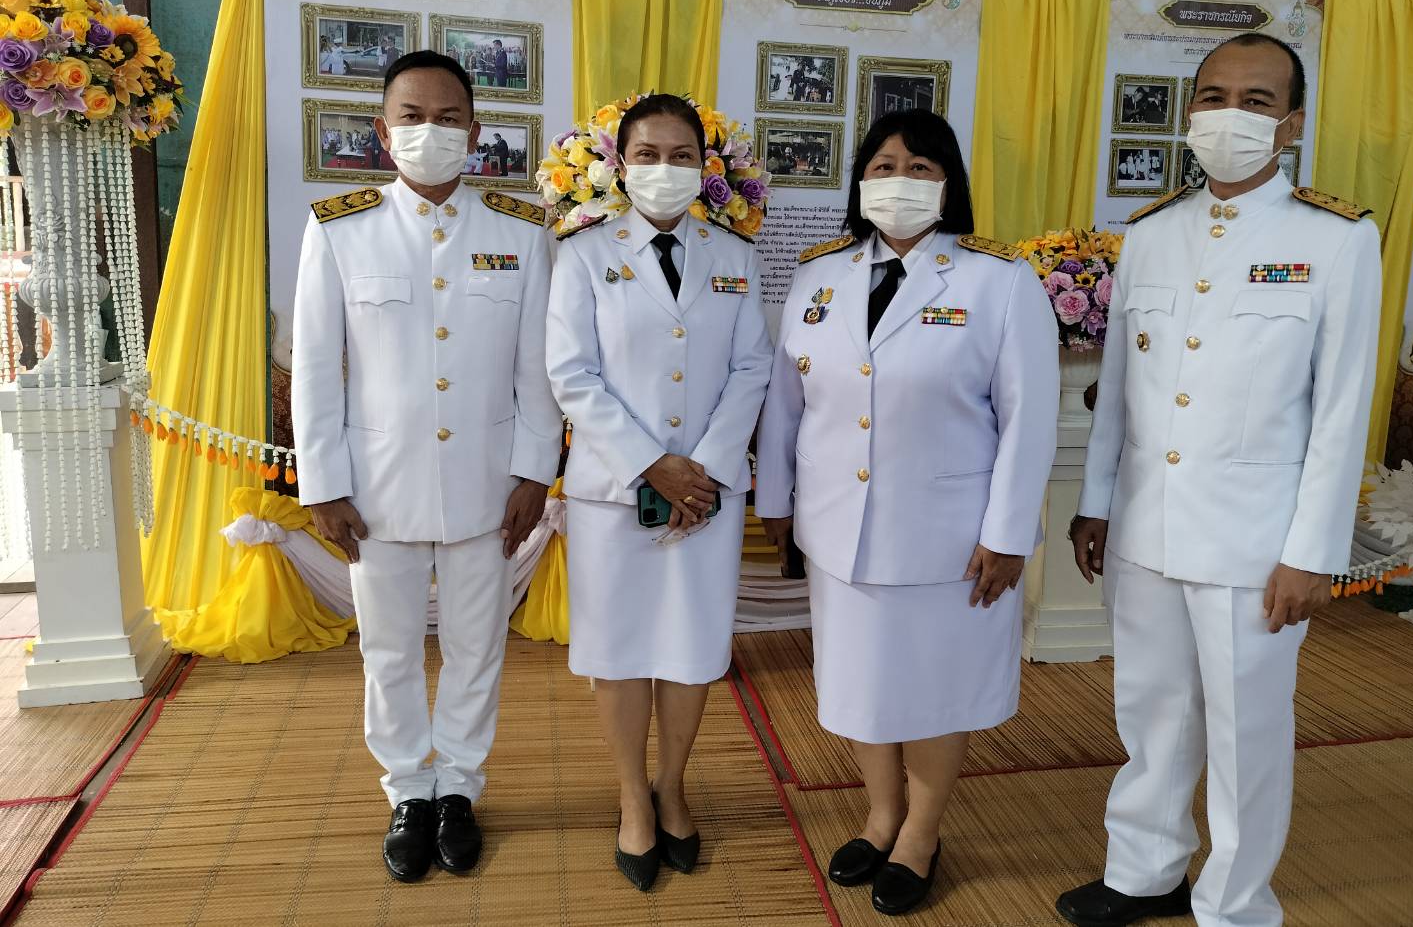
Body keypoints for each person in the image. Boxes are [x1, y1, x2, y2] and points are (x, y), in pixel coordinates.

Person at [1056, 32, 1381, 927]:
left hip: (1255, 542)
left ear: (1292, 125)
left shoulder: (1336, 238)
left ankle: (1234, 905)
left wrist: (1313, 552)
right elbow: (1119, 386)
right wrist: (1096, 504)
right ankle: (1143, 869)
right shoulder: (1151, 233)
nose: (1228, 115)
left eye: (1256, 100)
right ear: (1189, 111)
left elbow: (1341, 412)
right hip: (1148, 528)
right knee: (1149, 711)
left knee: (1245, 735)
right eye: (1212, 96)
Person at [757, 109, 1059, 916]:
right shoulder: (819, 275)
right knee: (862, 683)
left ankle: (921, 833)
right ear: (860, 182)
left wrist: (1005, 535)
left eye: (921, 168)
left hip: (949, 538)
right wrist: (777, 505)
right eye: (884, 166)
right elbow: (787, 404)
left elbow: (1028, 419)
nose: (900, 182)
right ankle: (881, 814)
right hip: (837, 528)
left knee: (933, 688)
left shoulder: (999, 280)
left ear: (949, 184)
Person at [292, 50, 563, 884]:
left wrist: (531, 473)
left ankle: (460, 790)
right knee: (391, 649)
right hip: (376, 486)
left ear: (476, 133)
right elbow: (315, 364)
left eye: (448, 117)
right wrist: (325, 486)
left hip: (489, 485)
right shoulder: (340, 225)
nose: (430, 131)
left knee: (479, 646)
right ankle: (409, 790)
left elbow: (537, 367)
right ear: (383, 131)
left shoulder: (521, 230)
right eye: (411, 116)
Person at [545, 93, 773, 892]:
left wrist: (701, 467)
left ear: (706, 169)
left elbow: (752, 368)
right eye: (648, 154)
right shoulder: (582, 254)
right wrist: (653, 463)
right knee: (618, 653)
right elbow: (571, 374)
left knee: (689, 648)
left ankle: (671, 786)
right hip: (614, 490)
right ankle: (627, 798)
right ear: (618, 163)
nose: (664, 170)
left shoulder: (735, 256)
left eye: (682, 156)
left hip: (707, 495)